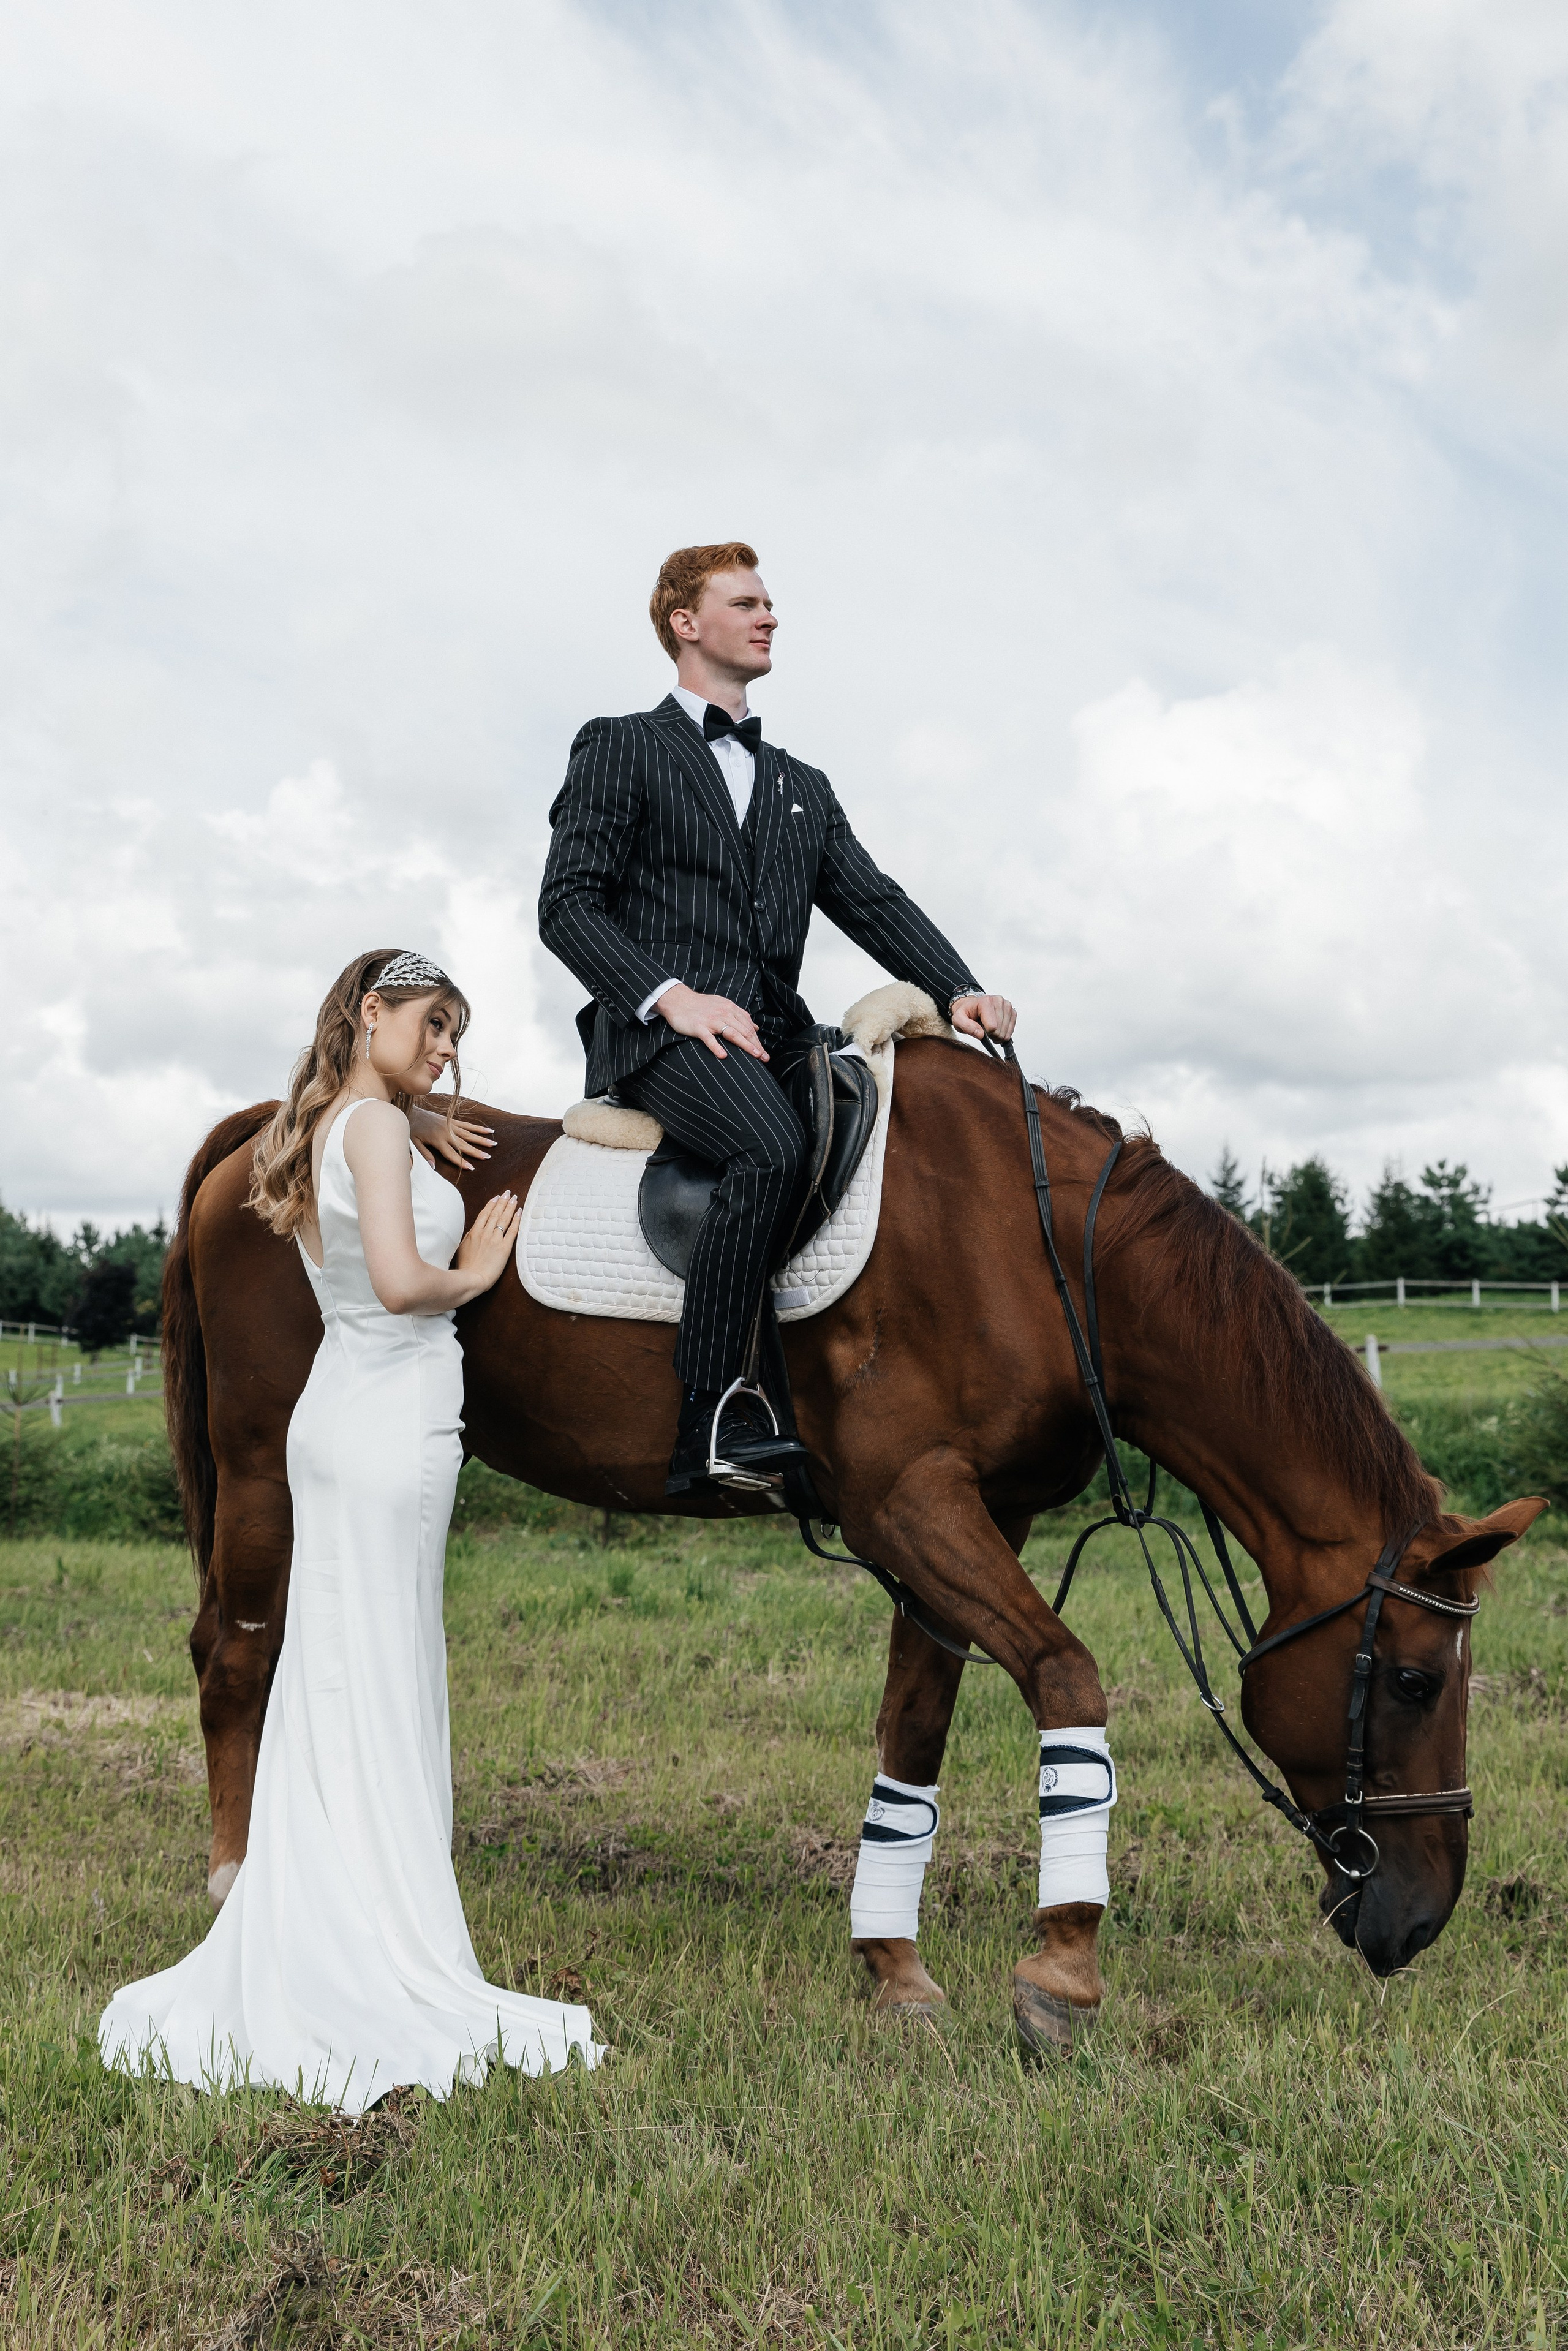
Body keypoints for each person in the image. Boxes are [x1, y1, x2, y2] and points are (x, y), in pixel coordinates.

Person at [100, 949, 599, 2108]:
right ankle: (383, 1944)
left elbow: (360, 1178)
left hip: (349, 1416)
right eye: (430, 1028)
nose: (444, 1054)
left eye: (454, 1038)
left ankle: (331, 1911)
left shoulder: (337, 1121)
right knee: (383, 1674)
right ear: (370, 1012)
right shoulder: (373, 1131)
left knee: (348, 1672)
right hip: (389, 1419)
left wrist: (416, 1114)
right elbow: (397, 1278)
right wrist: (474, 1268)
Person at [539, 542, 1016, 1495]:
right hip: (663, 1031)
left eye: (770, 604)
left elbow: (872, 901)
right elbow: (568, 905)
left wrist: (957, 987)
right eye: (747, 602)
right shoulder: (620, 743)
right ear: (685, 622)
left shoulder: (803, 785)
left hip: (776, 1029)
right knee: (767, 1143)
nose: (770, 617)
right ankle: (713, 1418)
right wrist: (671, 997)